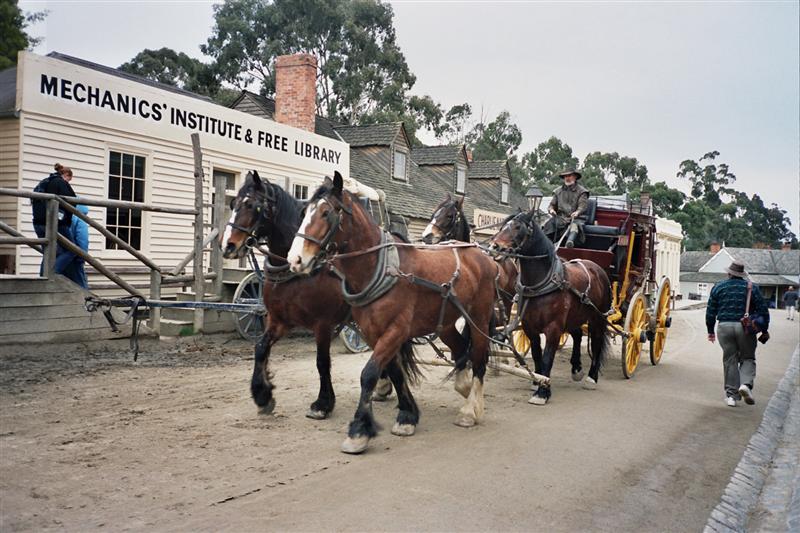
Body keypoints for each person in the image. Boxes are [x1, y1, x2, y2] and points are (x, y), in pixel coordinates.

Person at [706, 260, 770, 407]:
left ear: (729, 273)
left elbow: (710, 312)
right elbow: (763, 311)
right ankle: (745, 385)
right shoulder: (752, 288)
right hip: (745, 328)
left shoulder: (718, 287)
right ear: (742, 274)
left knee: (730, 360)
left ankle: (731, 397)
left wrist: (710, 331)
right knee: (747, 358)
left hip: (724, 327)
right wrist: (764, 330)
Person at [32, 163, 77, 275]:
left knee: (48, 252)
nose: (68, 182)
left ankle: (42, 278)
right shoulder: (60, 183)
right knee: (71, 250)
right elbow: (72, 201)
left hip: (38, 222)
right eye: (69, 180)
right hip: (56, 222)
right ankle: (51, 273)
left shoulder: (45, 182)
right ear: (66, 175)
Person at [542, 169, 589, 248]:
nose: (567, 178)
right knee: (549, 224)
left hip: (576, 218)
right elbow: (552, 205)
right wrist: (551, 210)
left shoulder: (582, 192)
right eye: (565, 176)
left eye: (569, 176)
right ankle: (544, 243)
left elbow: (582, 206)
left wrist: (577, 212)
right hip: (560, 218)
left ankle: (569, 242)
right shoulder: (558, 191)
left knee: (574, 225)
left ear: (575, 177)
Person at [60, 204, 90, 289]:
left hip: (59, 257)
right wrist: (82, 257)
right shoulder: (80, 219)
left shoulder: (62, 216)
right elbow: (83, 240)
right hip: (74, 258)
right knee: (80, 286)